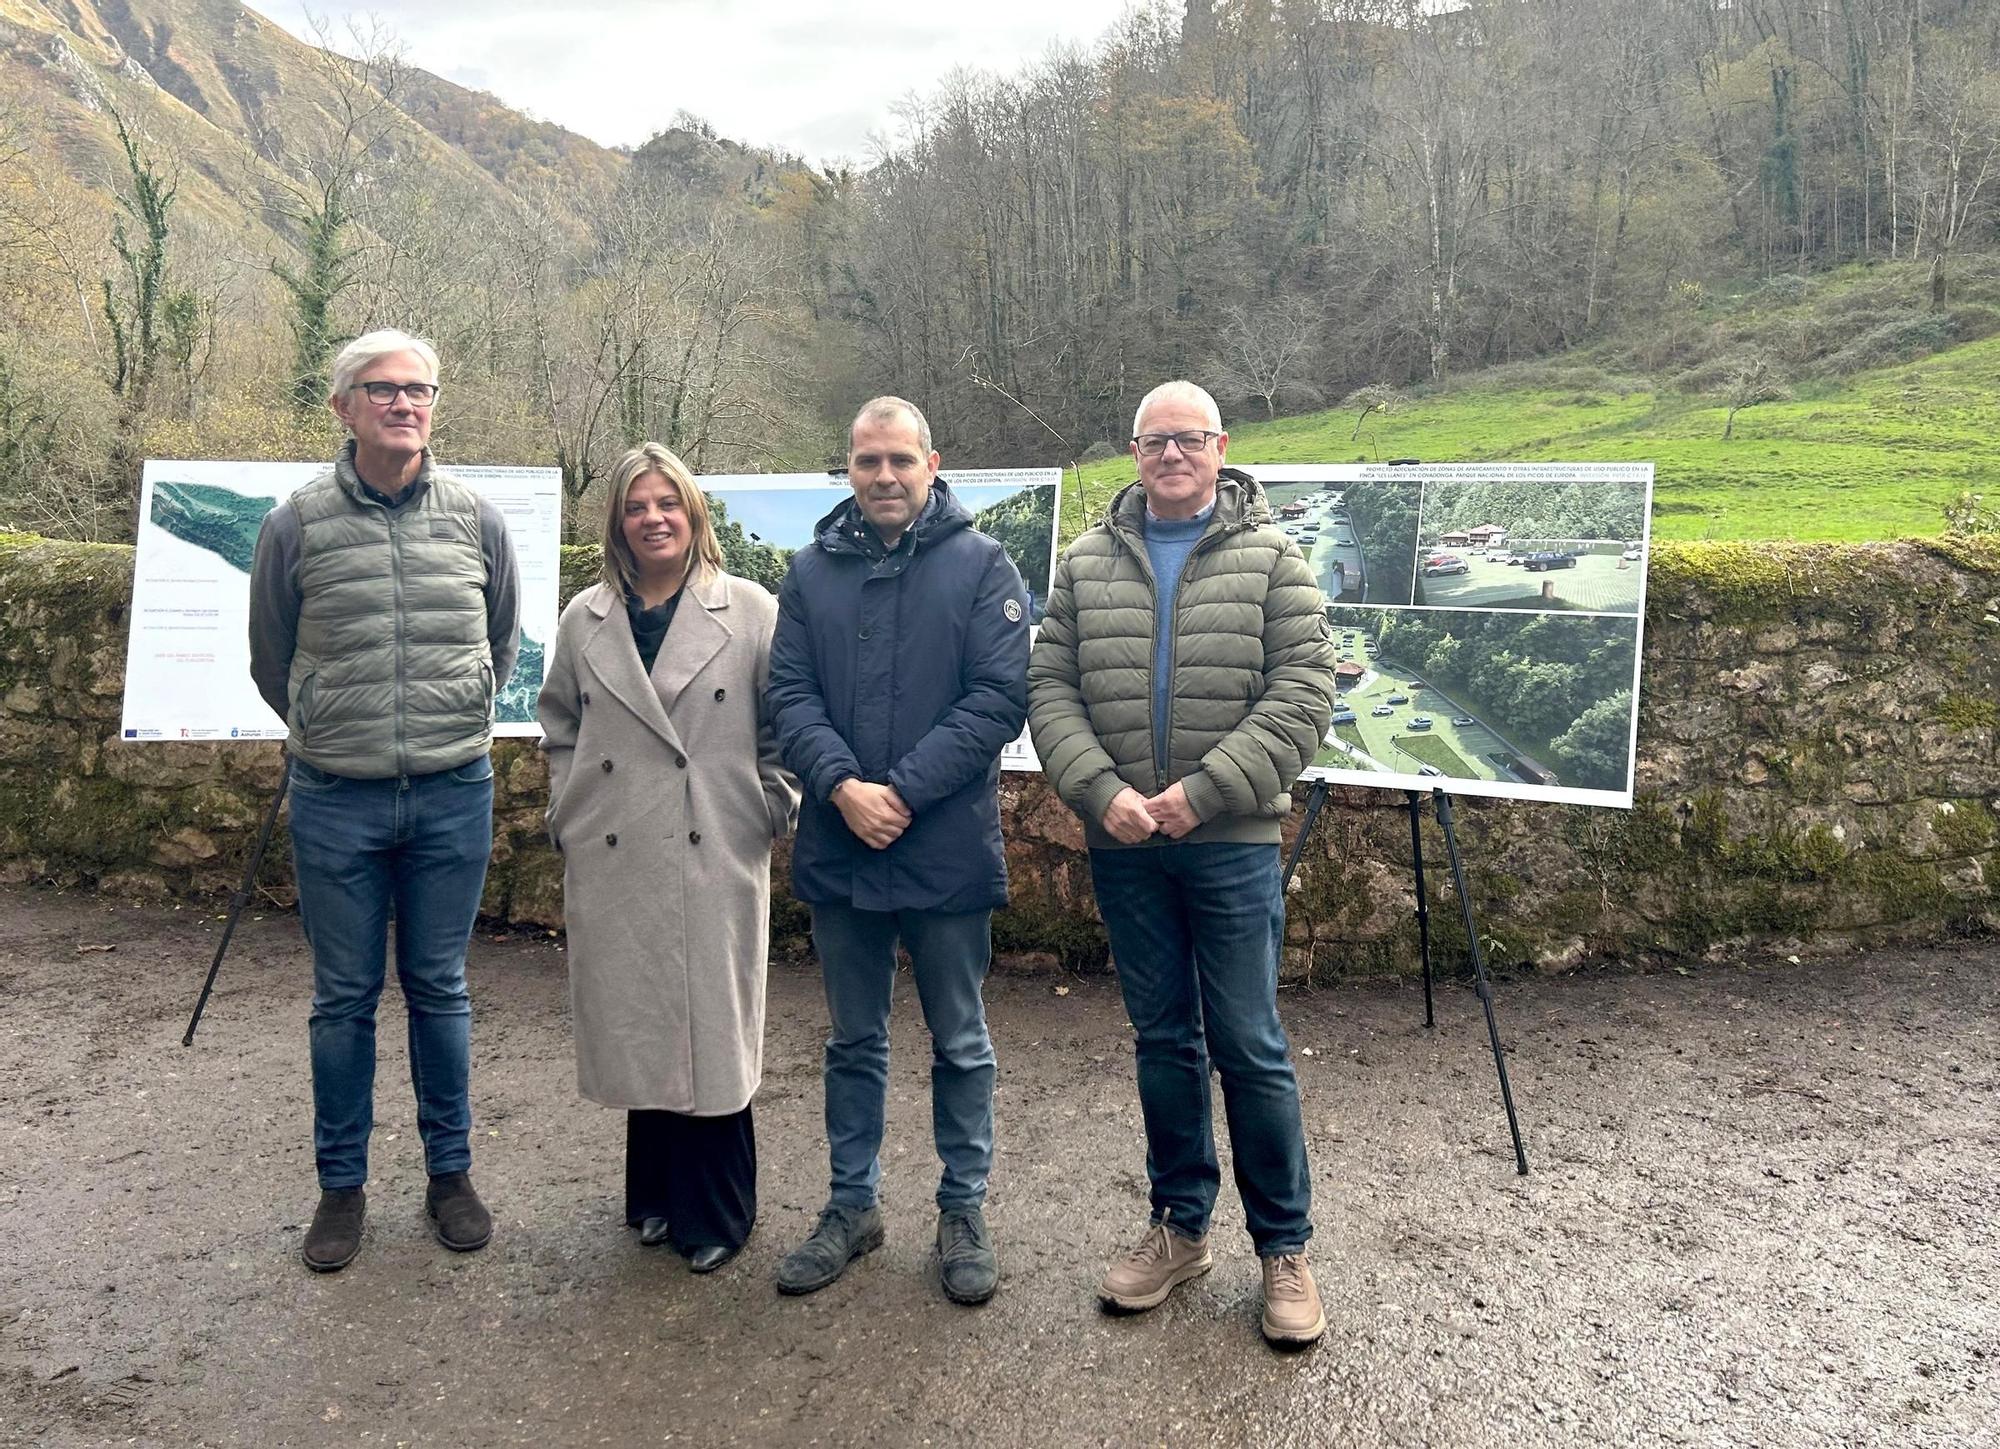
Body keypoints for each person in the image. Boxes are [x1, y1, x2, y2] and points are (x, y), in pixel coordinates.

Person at [1026, 379, 1337, 1346]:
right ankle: (1181, 1228)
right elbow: (1050, 688)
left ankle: (1283, 1249)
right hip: (1126, 845)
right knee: (1163, 1041)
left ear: (1221, 447)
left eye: (1189, 440)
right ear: (1133, 452)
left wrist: (1203, 792)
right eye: (1155, 441)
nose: (1172, 454)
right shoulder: (1084, 565)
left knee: (1247, 1042)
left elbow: (1304, 694)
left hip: (1231, 843)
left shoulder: (1274, 557)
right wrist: (1100, 790)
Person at [248, 327, 520, 1273]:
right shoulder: (295, 522)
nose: (405, 404)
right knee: (343, 999)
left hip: (453, 792)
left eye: (420, 389)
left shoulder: (477, 519)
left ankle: (452, 1174)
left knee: (440, 988)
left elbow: (501, 637)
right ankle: (342, 1186)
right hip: (336, 800)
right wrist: (334, 729)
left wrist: (440, 729)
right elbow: (270, 662)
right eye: (383, 389)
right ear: (344, 407)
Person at [766, 396, 1030, 1305]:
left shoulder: (983, 565)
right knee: (853, 1038)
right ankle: (853, 1204)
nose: (884, 476)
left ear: (932, 463)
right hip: (843, 843)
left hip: (944, 845)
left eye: (900, 461)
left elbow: (999, 700)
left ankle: (963, 1208)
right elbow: (788, 697)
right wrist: (843, 787)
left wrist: (904, 791)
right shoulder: (808, 574)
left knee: (960, 1039)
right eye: (868, 461)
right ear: (848, 468)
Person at [536, 443, 799, 1274]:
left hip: (711, 843)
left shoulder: (751, 609)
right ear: (616, 520)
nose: (654, 518)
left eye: (668, 503)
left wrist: (768, 805)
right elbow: (560, 728)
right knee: (639, 1022)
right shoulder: (586, 619)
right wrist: (571, 814)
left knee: (709, 1028)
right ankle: (652, 1196)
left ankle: (717, 1211)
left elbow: (785, 726)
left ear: (694, 513)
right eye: (636, 506)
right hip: (615, 849)